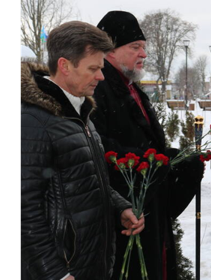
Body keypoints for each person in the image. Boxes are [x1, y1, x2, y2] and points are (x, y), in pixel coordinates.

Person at [20, 21, 145, 280]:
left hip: (90, 265)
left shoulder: (79, 112)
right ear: (65, 65)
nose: (101, 76)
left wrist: (120, 207)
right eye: (93, 68)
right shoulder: (33, 121)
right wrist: (55, 273)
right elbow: (25, 210)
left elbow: (84, 178)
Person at [93, 10, 203, 280]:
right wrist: (150, 161)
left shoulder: (129, 86)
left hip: (147, 207)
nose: (143, 54)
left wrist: (176, 159)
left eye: (144, 47)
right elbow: (97, 145)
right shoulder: (98, 86)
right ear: (110, 50)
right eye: (135, 47)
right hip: (126, 213)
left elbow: (144, 142)